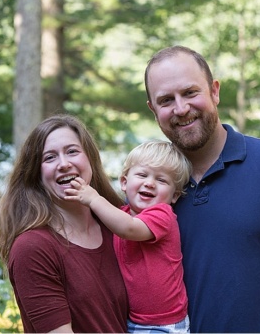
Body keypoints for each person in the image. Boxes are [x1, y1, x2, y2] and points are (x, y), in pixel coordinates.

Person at [143, 45, 260, 332]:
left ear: (215, 91)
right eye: (166, 100)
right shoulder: (148, 186)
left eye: (190, 93)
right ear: (153, 109)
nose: (181, 108)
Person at [0, 114, 129, 333]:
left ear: (91, 159)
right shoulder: (33, 248)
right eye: (49, 158)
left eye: (72, 151)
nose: (64, 164)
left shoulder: (120, 229)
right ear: (37, 174)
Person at [65, 141, 191, 333]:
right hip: (133, 320)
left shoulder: (163, 215)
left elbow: (129, 229)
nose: (149, 183)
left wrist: (93, 199)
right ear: (124, 182)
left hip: (164, 323)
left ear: (174, 196)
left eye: (162, 180)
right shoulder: (119, 214)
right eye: (142, 174)